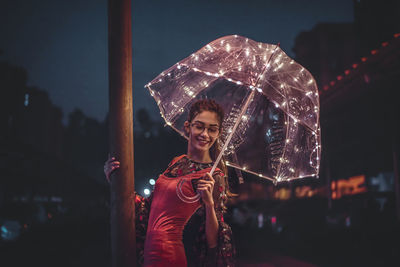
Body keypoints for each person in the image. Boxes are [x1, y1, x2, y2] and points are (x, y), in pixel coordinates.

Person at [104, 99, 235, 267]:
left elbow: (213, 242)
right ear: (188, 127)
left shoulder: (214, 176)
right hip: (149, 254)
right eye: (199, 126)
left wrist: (209, 204)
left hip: (172, 256)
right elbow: (148, 208)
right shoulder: (177, 161)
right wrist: (115, 180)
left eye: (212, 129)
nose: (205, 134)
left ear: (219, 133)